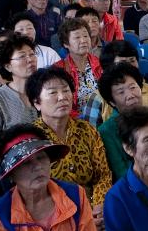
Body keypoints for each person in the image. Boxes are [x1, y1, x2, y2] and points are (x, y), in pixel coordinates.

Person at [26, 67, 113, 216]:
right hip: (55, 217)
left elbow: (102, 175)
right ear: (37, 103)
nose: (62, 97)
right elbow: (34, 192)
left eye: (66, 90)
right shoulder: (31, 140)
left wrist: (99, 207)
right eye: (53, 92)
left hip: (93, 209)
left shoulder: (86, 130)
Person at [0, 32, 38, 156]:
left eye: (32, 54)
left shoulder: (43, 91)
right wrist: (11, 156)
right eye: (22, 56)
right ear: (8, 66)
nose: (30, 59)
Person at [55, 17, 103, 123]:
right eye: (77, 37)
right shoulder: (59, 70)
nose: (83, 40)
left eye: (86, 36)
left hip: (102, 117)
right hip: (73, 122)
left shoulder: (100, 64)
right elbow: (59, 102)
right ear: (66, 44)